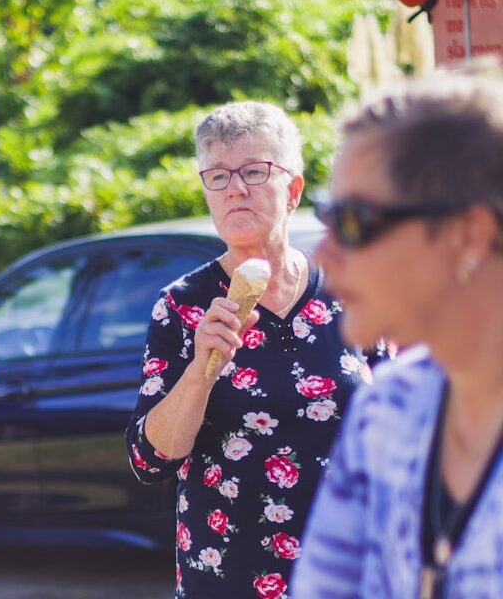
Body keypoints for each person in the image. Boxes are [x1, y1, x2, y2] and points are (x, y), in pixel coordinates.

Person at [125, 101, 385, 598]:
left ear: (293, 190)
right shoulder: (182, 306)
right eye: (217, 176)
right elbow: (149, 460)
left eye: (254, 171)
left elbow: (407, 422)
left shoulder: (355, 291)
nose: (235, 188)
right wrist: (202, 369)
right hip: (230, 574)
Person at [290, 66, 503, 598]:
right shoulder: (386, 407)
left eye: (355, 222)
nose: (323, 253)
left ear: (469, 235)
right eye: (326, 216)